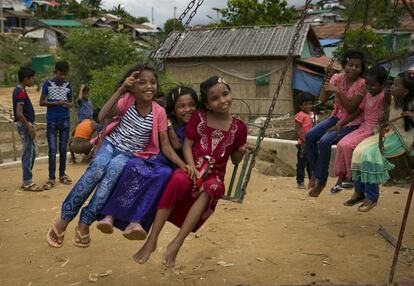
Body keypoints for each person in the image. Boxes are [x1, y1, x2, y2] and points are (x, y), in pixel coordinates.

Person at [46, 64, 194, 248]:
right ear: (132, 86)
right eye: (142, 82)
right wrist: (123, 88)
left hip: (129, 155)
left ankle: (85, 222)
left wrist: (182, 164)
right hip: (110, 145)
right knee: (96, 170)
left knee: (110, 177)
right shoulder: (127, 99)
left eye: (153, 82)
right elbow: (102, 115)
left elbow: (165, 145)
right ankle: (63, 219)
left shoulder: (159, 112)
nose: (149, 86)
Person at [133, 76, 248, 268]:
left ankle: (176, 243)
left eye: (225, 94)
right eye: (215, 98)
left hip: (215, 175)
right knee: (178, 179)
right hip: (193, 167)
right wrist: (191, 166)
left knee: (212, 188)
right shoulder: (200, 117)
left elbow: (234, 160)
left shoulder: (239, 127)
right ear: (207, 104)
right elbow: (187, 144)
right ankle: (152, 240)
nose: (222, 101)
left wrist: (240, 152)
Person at [97, 86, 198, 239]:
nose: (187, 109)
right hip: (150, 157)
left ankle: (137, 222)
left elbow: (177, 145)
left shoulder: (191, 127)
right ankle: (109, 215)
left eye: (191, 105)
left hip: (167, 165)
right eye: (181, 106)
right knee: (131, 166)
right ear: (173, 108)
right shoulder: (162, 117)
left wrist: (169, 126)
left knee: (163, 176)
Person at [346, 70, 414, 212]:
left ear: (406, 91)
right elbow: (388, 115)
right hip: (389, 132)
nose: (391, 87)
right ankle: (359, 191)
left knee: (370, 154)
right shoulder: (393, 98)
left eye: (395, 85)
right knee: (358, 150)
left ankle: (372, 197)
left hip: (403, 138)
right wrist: (384, 117)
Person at [306, 49, 367, 197]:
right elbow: (322, 98)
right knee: (309, 136)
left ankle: (321, 181)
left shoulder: (362, 84)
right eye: (351, 64)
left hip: (352, 121)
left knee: (325, 141)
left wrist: (338, 91)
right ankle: (315, 172)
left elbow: (352, 108)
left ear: (361, 68)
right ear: (345, 65)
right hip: (336, 116)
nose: (354, 68)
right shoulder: (337, 77)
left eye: (357, 66)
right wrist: (327, 81)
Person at [331, 65, 389, 194]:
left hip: (374, 130)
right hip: (364, 126)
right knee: (341, 144)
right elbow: (358, 111)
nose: (368, 87)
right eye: (367, 84)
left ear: (382, 84)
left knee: (349, 145)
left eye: (372, 85)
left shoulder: (384, 96)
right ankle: (342, 177)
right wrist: (341, 123)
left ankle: (351, 177)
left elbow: (389, 111)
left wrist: (384, 119)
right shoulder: (368, 94)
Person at [40, 60, 73, 190]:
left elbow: (71, 104)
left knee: (63, 149)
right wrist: (56, 103)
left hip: (65, 119)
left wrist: (65, 104)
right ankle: (51, 177)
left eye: (65, 74)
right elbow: (42, 102)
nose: (63, 77)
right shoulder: (47, 84)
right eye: (60, 74)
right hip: (52, 121)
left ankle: (62, 174)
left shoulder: (68, 85)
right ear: (55, 72)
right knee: (52, 150)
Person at [12, 67, 42, 192]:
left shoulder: (21, 90)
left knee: (32, 152)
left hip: (27, 125)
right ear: (26, 79)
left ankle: (27, 178)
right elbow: (19, 113)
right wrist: (29, 127)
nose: (33, 80)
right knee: (28, 153)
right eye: (32, 78)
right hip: (25, 125)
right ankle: (27, 182)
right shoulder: (20, 92)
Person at [294, 92, 314, 189]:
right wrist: (305, 140)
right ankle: (300, 182)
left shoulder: (313, 115)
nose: (308, 106)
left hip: (312, 144)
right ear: (300, 105)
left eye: (310, 104)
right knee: (301, 164)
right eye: (305, 104)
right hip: (302, 144)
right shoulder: (300, 115)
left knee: (311, 164)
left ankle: (312, 181)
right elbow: (297, 130)